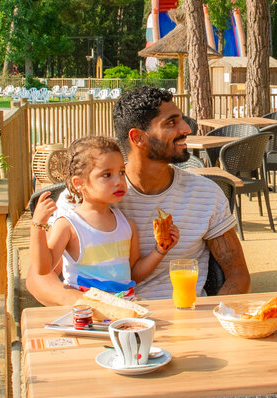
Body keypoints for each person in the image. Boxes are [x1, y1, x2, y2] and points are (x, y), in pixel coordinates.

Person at [26, 85, 251, 304]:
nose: (186, 128)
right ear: (138, 138)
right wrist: (93, 305)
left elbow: (238, 274)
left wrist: (217, 315)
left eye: (181, 120)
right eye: (171, 123)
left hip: (183, 316)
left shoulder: (205, 194)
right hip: (104, 320)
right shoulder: (80, 197)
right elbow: (39, 278)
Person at [29, 135, 181, 297]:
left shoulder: (127, 226)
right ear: (79, 183)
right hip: (85, 309)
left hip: (125, 307)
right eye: (107, 175)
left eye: (121, 172)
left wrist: (160, 250)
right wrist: (37, 225)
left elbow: (133, 274)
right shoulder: (69, 225)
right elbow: (44, 268)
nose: (119, 181)